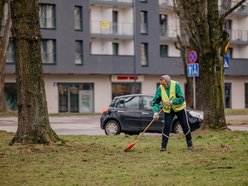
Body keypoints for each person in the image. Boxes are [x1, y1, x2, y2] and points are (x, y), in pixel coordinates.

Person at [152, 75, 193, 151]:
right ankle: (163, 146)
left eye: (164, 84)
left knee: (184, 125)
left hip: (179, 108)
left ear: (168, 82)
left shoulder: (175, 85)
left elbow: (181, 98)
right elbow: (155, 101)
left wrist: (172, 102)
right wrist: (155, 112)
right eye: (161, 84)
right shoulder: (160, 88)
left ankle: (189, 143)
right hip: (168, 110)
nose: (163, 86)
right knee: (166, 127)